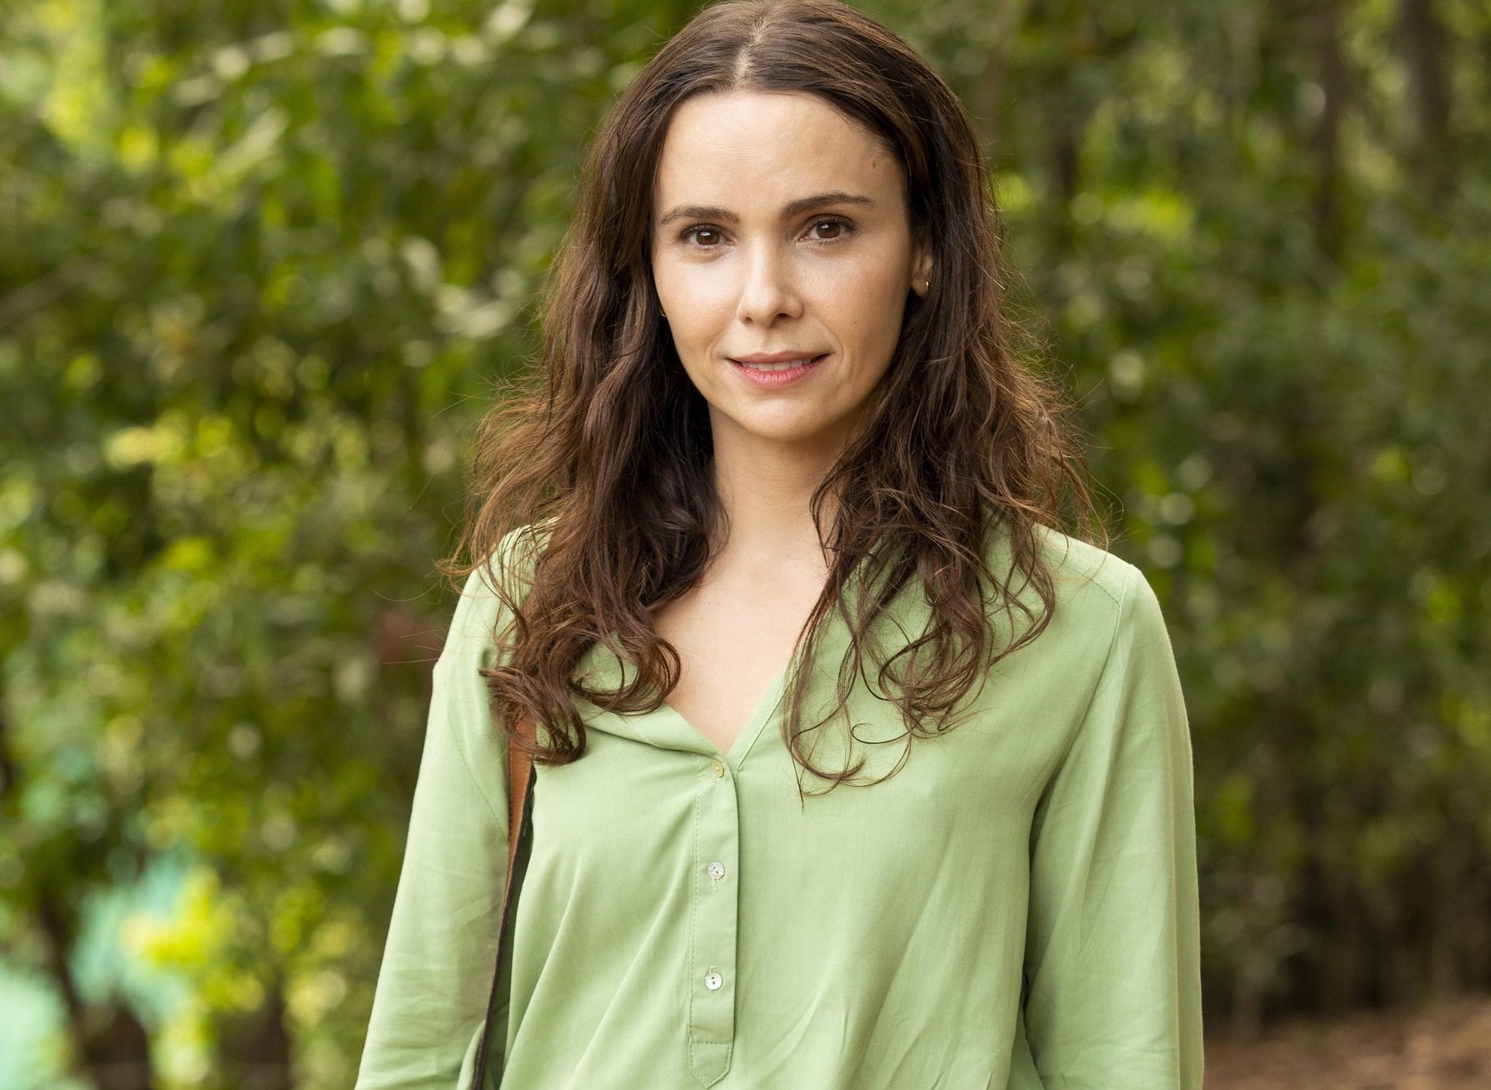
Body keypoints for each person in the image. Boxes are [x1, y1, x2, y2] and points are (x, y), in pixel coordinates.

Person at [356, 1, 1203, 1087]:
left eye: (826, 228)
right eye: (704, 236)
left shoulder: (1079, 628)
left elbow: (1125, 1057)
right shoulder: (528, 603)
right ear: (647, 273)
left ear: (925, 250)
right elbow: (420, 1048)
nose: (763, 299)